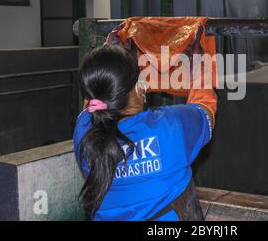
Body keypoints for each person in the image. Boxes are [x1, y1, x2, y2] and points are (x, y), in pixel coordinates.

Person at [73, 44, 217, 221]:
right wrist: (197, 65)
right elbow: (205, 108)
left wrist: (107, 54)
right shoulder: (171, 126)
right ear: (138, 88)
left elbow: (91, 102)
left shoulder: (83, 132)